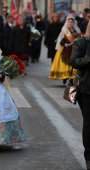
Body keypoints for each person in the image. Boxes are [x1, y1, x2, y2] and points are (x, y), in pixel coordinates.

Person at [71, 20, 90, 170]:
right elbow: (74, 61)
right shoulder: (82, 42)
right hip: (86, 89)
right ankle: (89, 157)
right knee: (89, 123)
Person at [48, 16, 81, 84]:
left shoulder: (77, 31)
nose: (70, 23)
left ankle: (71, 77)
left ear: (74, 23)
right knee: (65, 63)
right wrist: (64, 44)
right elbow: (60, 40)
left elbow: (79, 39)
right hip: (65, 49)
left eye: (71, 22)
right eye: (69, 22)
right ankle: (65, 77)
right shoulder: (64, 30)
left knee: (73, 64)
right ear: (67, 23)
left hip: (74, 49)